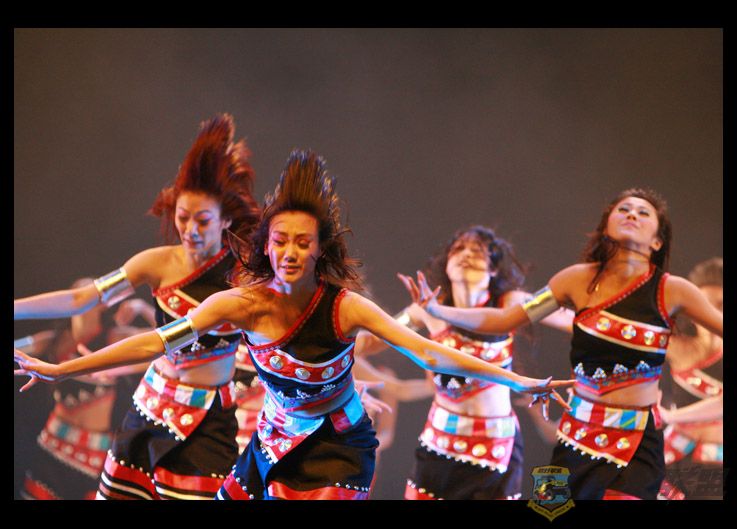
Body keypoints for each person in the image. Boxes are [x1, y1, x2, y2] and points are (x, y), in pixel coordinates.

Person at [15, 149, 573, 500]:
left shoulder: (345, 307)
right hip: (271, 437)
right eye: (280, 240)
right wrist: (62, 369)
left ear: (319, 250)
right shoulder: (240, 303)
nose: (289, 252)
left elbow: (428, 354)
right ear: (265, 245)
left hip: (337, 448)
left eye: (302, 243)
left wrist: (519, 382)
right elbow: (154, 343)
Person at [401, 188, 722, 500]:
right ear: (606, 227)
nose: (632, 215)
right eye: (623, 209)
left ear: (657, 241)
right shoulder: (574, 280)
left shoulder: (673, 290)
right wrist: (437, 310)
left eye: (643, 213)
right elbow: (504, 319)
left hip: (636, 440)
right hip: (576, 434)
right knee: (552, 508)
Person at [14, 113, 261, 499]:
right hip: (152, 404)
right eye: (183, 217)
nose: (190, 230)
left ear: (226, 220)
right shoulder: (155, 263)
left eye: (202, 220)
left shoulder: (244, 277)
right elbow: (81, 299)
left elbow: (280, 337)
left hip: (209, 418)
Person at [357, 225, 573, 500]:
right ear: (446, 266)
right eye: (458, 249)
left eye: (478, 251)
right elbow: (371, 341)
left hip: (495, 450)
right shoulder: (425, 311)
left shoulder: (512, 304)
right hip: (439, 445)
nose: (466, 255)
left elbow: (579, 323)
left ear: (493, 270)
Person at [15, 279, 154, 500]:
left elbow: (165, 340)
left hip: (94, 450)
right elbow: (17, 348)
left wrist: (142, 307)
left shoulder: (114, 338)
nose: (81, 295)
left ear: (102, 303)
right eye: (76, 292)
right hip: (53, 442)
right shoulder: (54, 340)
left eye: (89, 291)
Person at [657, 257, 723, 500]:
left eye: (721, 304)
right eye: (704, 305)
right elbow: (618, 331)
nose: (712, 313)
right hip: (675, 461)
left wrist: (670, 416)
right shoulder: (678, 347)